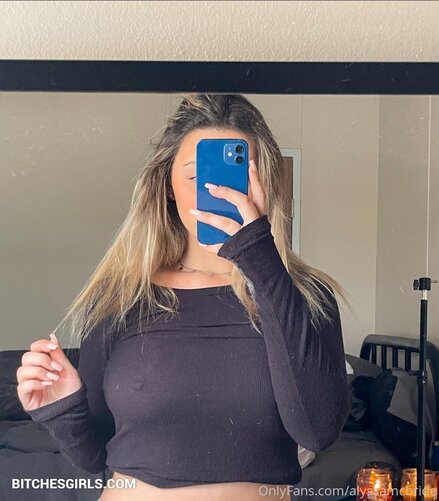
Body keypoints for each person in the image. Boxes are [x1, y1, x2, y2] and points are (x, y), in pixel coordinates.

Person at [17, 94, 352, 501]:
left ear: (264, 182)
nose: (217, 191)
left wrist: (258, 258)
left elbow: (317, 430)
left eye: (234, 177)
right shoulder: (120, 297)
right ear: (169, 187)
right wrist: (63, 409)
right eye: (196, 177)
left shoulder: (306, 296)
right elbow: (96, 457)